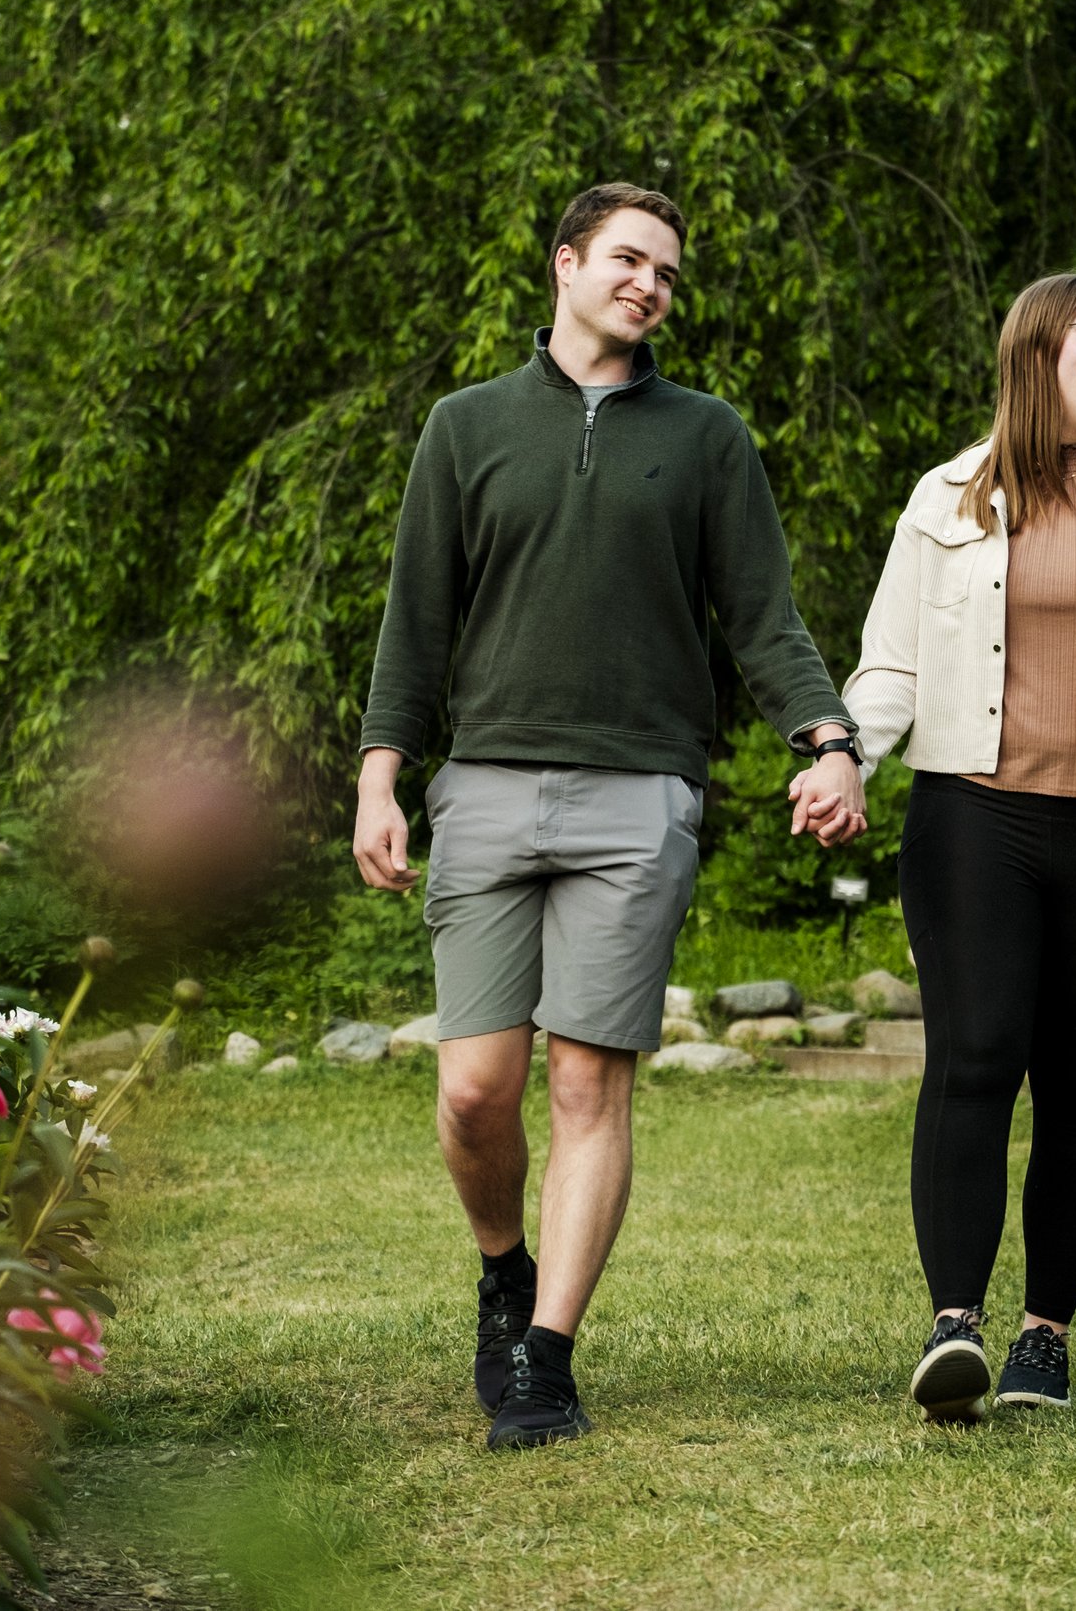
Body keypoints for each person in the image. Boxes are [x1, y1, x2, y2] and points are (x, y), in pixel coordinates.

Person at [354, 182, 865, 1450]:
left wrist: (830, 737)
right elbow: (415, 621)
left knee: (588, 1081)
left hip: (640, 794)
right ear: (566, 265)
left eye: (668, 273)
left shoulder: (705, 438)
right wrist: (381, 772)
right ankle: (502, 1269)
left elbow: (761, 616)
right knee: (475, 1089)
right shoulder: (464, 427)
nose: (649, 283)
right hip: (485, 786)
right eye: (628, 260)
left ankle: (546, 1357)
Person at [841, 271, 1076, 1419]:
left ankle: (1043, 1338)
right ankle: (953, 1323)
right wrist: (840, 756)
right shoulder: (945, 496)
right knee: (973, 1056)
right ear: (1036, 350)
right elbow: (889, 663)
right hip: (974, 814)